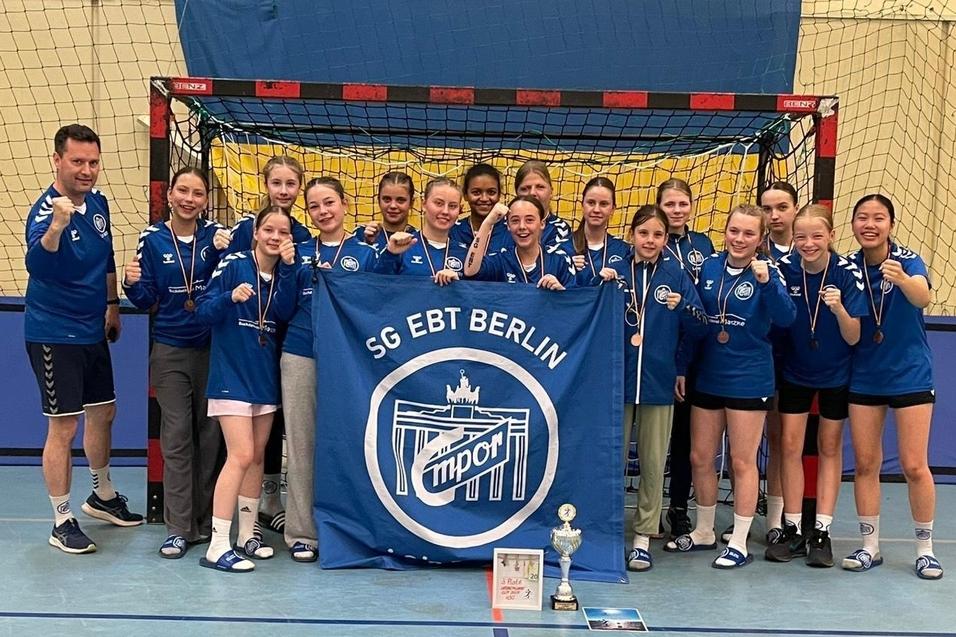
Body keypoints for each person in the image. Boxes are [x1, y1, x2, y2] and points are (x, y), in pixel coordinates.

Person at [24, 123, 142, 554]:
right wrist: (57, 225)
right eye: (77, 161)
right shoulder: (45, 212)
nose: (87, 170)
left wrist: (112, 304)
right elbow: (38, 263)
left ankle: (102, 495)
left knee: (104, 412)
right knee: (64, 426)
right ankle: (61, 520)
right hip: (55, 334)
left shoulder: (98, 203)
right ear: (57, 160)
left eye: (93, 162)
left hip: (93, 328)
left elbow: (106, 254)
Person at [664, 204, 795, 568]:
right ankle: (705, 530)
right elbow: (696, 321)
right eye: (734, 231)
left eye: (748, 233)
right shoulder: (709, 266)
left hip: (749, 379)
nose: (739, 239)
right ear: (725, 232)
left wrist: (767, 283)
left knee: (741, 460)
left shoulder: (769, 271)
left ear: (760, 238)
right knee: (700, 457)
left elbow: (787, 317)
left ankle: (739, 540)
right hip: (708, 374)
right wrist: (682, 367)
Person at [123, 167, 232, 558]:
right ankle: (177, 527)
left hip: (212, 347)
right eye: (182, 191)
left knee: (211, 436)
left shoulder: (216, 235)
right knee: (176, 437)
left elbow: (233, 278)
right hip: (169, 349)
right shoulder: (151, 239)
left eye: (197, 193)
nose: (189, 199)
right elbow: (145, 298)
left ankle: (206, 522)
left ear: (205, 200)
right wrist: (131, 284)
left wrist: (224, 250)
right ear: (169, 194)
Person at [600, 205, 706, 571]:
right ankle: (608, 532)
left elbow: (700, 326)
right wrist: (598, 282)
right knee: (610, 460)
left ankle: (644, 537)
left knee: (652, 462)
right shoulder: (615, 269)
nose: (650, 240)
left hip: (658, 383)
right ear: (632, 235)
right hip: (617, 381)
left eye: (657, 235)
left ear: (665, 239)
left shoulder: (676, 274)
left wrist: (683, 308)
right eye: (643, 233)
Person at [843, 194, 942, 580]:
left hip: (910, 374)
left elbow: (923, 295)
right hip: (865, 375)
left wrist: (900, 278)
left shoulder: (907, 260)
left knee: (914, 465)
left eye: (878, 218)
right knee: (866, 464)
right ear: (853, 224)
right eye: (862, 217)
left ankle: (925, 550)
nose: (870, 224)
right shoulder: (848, 267)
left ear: (891, 225)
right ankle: (870, 546)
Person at [195, 207, 298, 572]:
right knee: (239, 455)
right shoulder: (234, 264)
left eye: (282, 232)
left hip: (263, 378)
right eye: (268, 229)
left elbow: (285, 312)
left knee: (255, 457)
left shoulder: (284, 272)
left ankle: (246, 535)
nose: (274, 237)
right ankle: (217, 545)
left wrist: (289, 269)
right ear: (255, 232)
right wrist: (230, 298)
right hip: (231, 376)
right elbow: (202, 310)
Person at [281, 177, 376, 562]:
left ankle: (351, 530)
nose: (323, 211)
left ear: (345, 203)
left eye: (329, 203)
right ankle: (302, 532)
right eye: (315, 206)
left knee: (353, 445)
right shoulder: (300, 251)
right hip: (301, 353)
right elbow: (282, 307)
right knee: (301, 444)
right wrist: (289, 269)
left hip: (350, 360)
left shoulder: (366, 253)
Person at [769, 204, 867, 567]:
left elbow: (854, 336)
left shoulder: (846, 272)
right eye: (801, 237)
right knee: (789, 446)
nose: (808, 243)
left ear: (831, 236)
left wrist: (839, 309)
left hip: (836, 374)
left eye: (816, 236)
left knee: (828, 447)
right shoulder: (784, 269)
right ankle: (793, 527)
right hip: (795, 371)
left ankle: (822, 531)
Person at [227, 155, 310, 535]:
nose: (284, 190)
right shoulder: (246, 228)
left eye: (291, 184)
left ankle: (270, 500)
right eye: (277, 183)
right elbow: (224, 275)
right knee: (241, 433)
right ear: (265, 184)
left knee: (273, 420)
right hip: (244, 339)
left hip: (283, 335)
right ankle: (237, 510)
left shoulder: (303, 234)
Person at [657, 178, 716, 540]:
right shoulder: (650, 243)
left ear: (691, 206)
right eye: (669, 204)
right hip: (656, 350)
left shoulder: (704, 246)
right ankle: (645, 508)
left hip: (694, 353)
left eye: (682, 204)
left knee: (683, 438)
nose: (676, 210)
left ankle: (678, 508)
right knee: (648, 439)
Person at [464, 196, 576, 289]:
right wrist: (487, 223)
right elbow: (470, 271)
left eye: (529, 220)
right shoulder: (501, 260)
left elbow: (575, 301)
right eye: (515, 221)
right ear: (508, 226)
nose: (522, 226)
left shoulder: (559, 259)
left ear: (542, 224)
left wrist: (561, 292)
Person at [373, 177, 469, 285]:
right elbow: (377, 287)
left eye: (452, 206)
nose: (445, 211)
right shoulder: (402, 246)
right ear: (424, 204)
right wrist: (390, 254)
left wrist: (459, 285)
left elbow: (474, 292)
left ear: (460, 210)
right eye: (439, 203)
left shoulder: (465, 253)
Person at [570, 177, 630, 287]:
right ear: (582, 205)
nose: (596, 210)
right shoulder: (563, 249)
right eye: (591, 203)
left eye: (603, 204)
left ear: (613, 209)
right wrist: (566, 268)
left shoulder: (624, 250)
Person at [449, 164, 511, 253]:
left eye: (491, 192)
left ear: (499, 195)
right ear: (465, 195)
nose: (484, 199)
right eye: (476, 192)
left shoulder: (510, 229)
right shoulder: (453, 231)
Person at [514, 160, 572, 250]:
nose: (532, 193)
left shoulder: (559, 230)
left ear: (551, 192)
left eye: (540, 187)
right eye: (525, 189)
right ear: (516, 193)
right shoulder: (501, 226)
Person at [357, 171, 417, 252]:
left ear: (411, 203)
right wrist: (367, 243)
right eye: (387, 199)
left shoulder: (419, 239)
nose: (393, 206)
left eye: (400, 200)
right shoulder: (361, 234)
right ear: (378, 200)